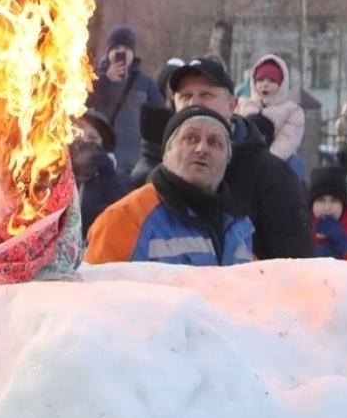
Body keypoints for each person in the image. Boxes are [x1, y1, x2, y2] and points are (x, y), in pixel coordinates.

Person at [148, 56, 314, 258]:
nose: (194, 103)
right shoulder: (160, 175)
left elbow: (296, 262)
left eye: (206, 95)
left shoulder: (272, 176)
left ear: (232, 105)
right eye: (185, 96)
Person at [83, 105, 254, 266]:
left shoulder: (240, 225)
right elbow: (99, 286)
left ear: (228, 159)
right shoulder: (125, 219)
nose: (202, 149)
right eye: (191, 138)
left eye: (214, 142)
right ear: (166, 153)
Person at [87, 30, 161, 184]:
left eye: (127, 49)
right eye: (116, 48)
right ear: (109, 53)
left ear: (133, 54)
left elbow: (159, 115)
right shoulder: (94, 79)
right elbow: (84, 107)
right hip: (100, 160)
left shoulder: (146, 84)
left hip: (134, 162)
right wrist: (106, 81)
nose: (122, 52)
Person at [237, 54, 307, 175]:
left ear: (281, 85)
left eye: (272, 81)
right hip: (246, 158)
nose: (265, 84)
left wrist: (268, 160)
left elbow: (287, 140)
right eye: (260, 80)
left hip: (276, 161)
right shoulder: (243, 105)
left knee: (296, 164)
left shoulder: (291, 110)